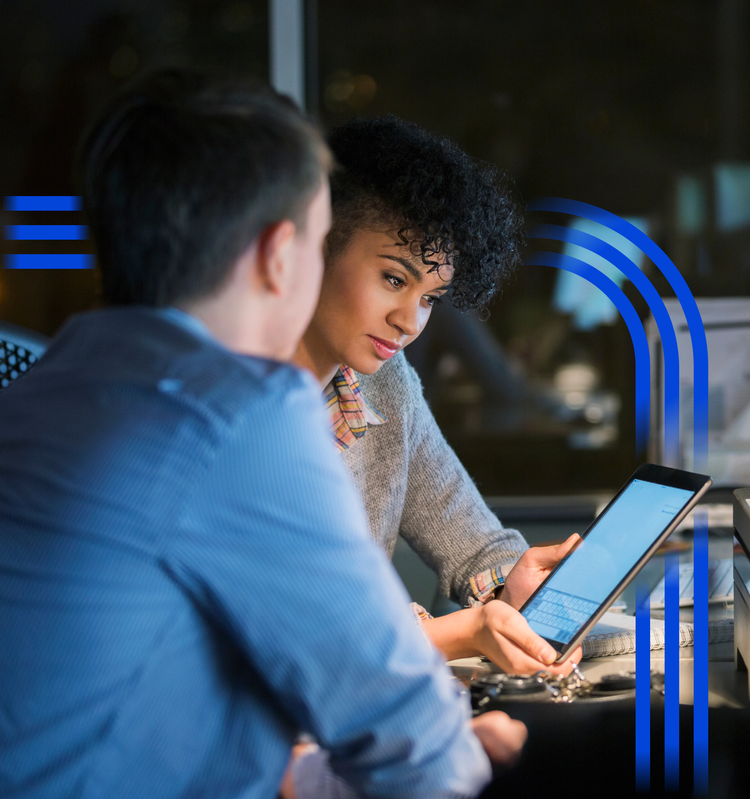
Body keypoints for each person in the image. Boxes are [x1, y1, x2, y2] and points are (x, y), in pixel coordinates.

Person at [0, 71, 525, 799]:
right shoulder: (238, 414)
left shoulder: (44, 387)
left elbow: (137, 709)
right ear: (284, 254)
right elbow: (419, 753)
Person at [294, 115, 583, 675]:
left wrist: (511, 585)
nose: (408, 322)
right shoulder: (232, 409)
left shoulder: (385, 382)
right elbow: (298, 631)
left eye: (431, 299)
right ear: (317, 245)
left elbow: (473, 543)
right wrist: (460, 632)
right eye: (395, 280)